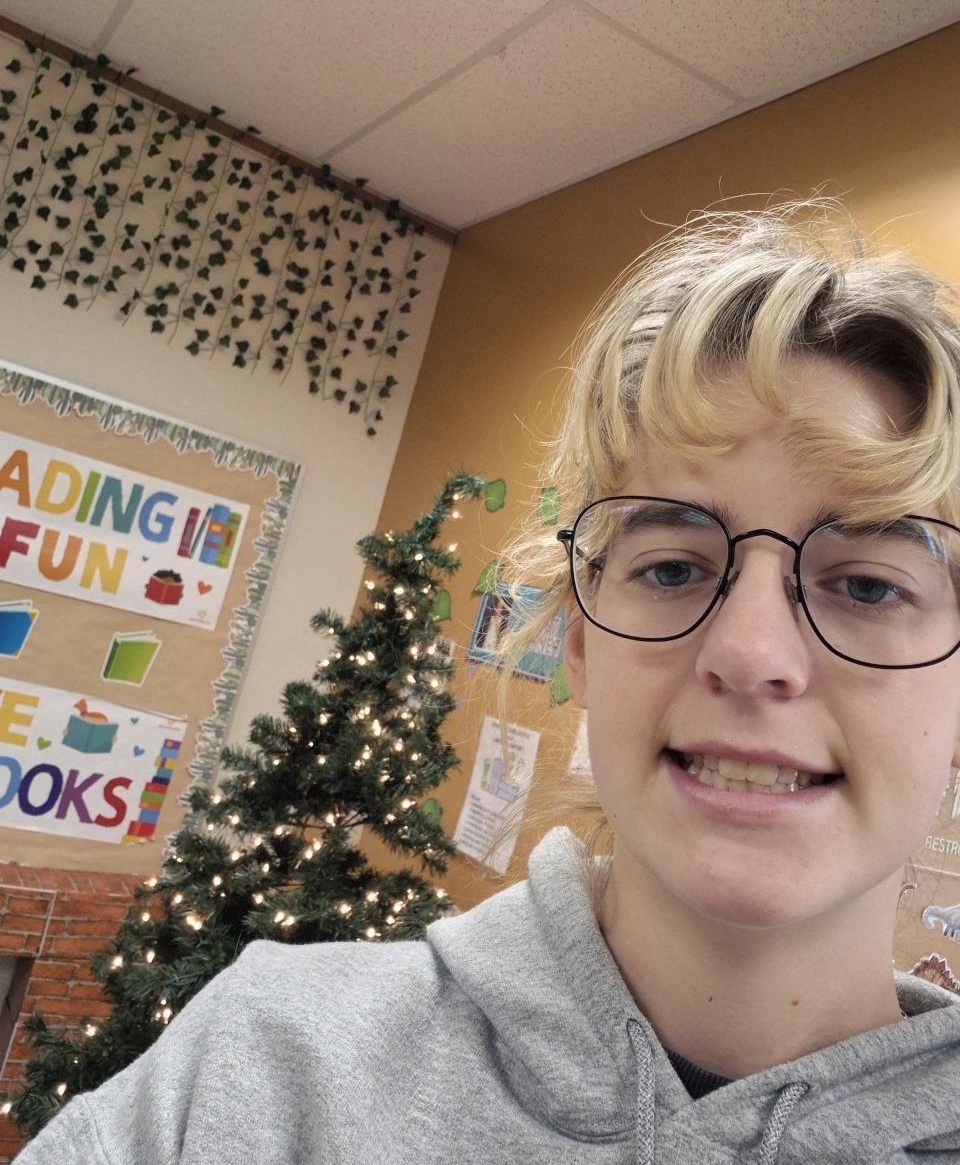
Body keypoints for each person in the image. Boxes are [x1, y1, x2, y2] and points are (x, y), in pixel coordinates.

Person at [15, 198, 960, 1164]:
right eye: (673, 567)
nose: (751, 652)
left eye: (869, 586)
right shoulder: (260, 1066)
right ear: (580, 644)